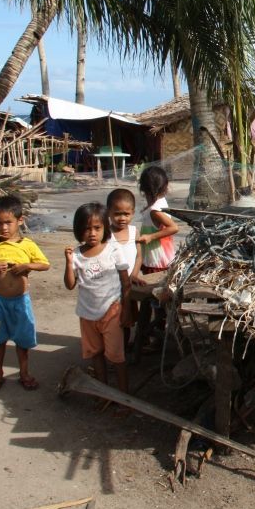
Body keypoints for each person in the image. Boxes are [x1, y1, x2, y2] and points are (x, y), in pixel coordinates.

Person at [0, 195, 50, 393]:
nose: (4, 228)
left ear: (20, 220)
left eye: (8, 223)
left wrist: (26, 265)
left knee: (22, 341)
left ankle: (24, 373)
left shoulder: (27, 245)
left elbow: (45, 264)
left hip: (20, 302)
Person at [64, 202, 131, 394]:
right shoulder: (77, 254)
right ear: (78, 230)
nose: (92, 233)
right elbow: (70, 285)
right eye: (86, 229)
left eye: (97, 228)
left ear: (105, 228)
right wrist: (69, 263)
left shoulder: (113, 249)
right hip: (87, 314)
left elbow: (125, 283)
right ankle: (104, 393)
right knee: (96, 354)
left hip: (111, 310)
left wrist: (126, 311)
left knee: (116, 357)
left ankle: (124, 397)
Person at [130, 166, 179, 363]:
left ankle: (157, 339)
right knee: (157, 303)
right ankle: (155, 335)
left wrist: (150, 236)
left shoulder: (155, 210)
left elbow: (173, 228)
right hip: (156, 258)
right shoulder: (156, 204)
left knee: (157, 303)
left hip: (159, 260)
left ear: (143, 188)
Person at [107, 188, 139, 348]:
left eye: (126, 214)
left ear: (133, 213)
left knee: (126, 320)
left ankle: (123, 351)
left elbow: (139, 256)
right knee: (111, 321)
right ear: (109, 213)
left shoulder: (134, 232)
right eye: (117, 213)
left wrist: (134, 274)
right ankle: (113, 350)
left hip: (128, 286)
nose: (122, 218)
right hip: (111, 286)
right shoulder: (106, 235)